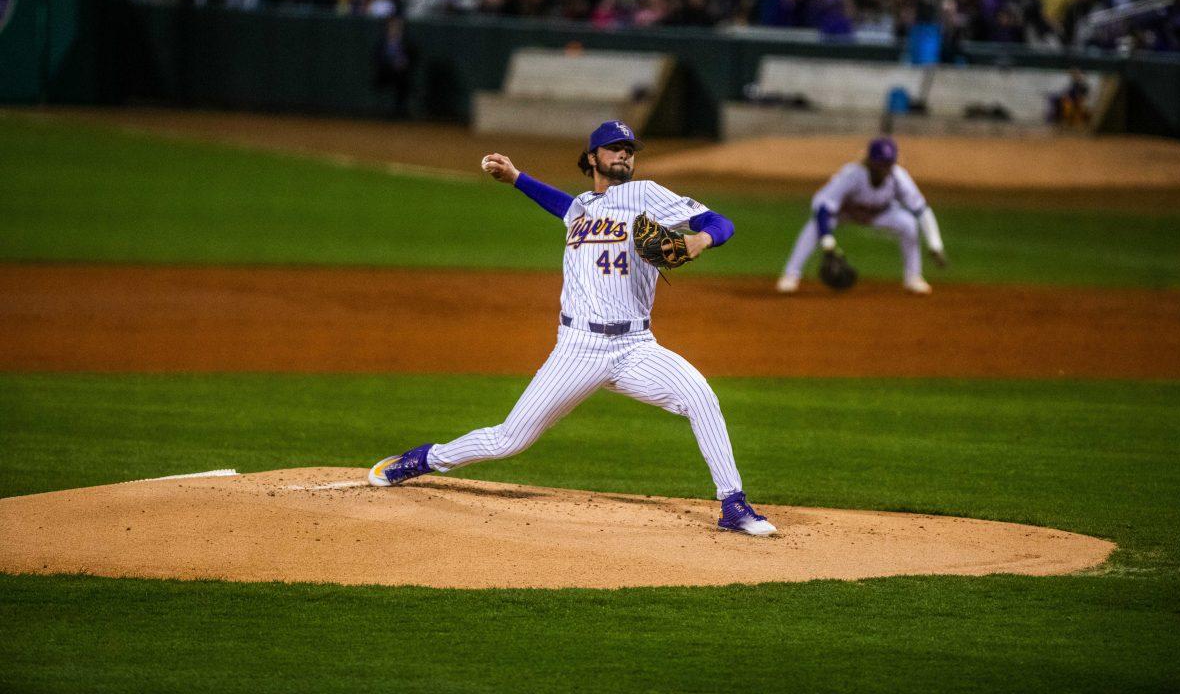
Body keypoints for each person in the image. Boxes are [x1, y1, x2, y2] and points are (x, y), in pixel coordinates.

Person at [369, 120, 777, 537]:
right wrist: (516, 178)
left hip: (636, 346)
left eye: (629, 149)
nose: (624, 154)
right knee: (510, 439)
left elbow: (720, 222)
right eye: (614, 147)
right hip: (577, 349)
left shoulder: (647, 194)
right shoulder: (581, 206)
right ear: (592, 157)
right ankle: (425, 459)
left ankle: (732, 503)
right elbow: (563, 205)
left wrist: (699, 240)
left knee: (700, 395)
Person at [776, 137, 946, 295]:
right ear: (870, 161)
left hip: (882, 214)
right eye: (881, 163)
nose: (884, 168)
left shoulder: (899, 177)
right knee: (814, 227)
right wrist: (827, 243)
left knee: (908, 224)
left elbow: (921, 209)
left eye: (888, 163)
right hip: (847, 212)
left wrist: (935, 244)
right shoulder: (852, 174)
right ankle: (791, 275)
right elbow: (823, 208)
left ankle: (913, 278)